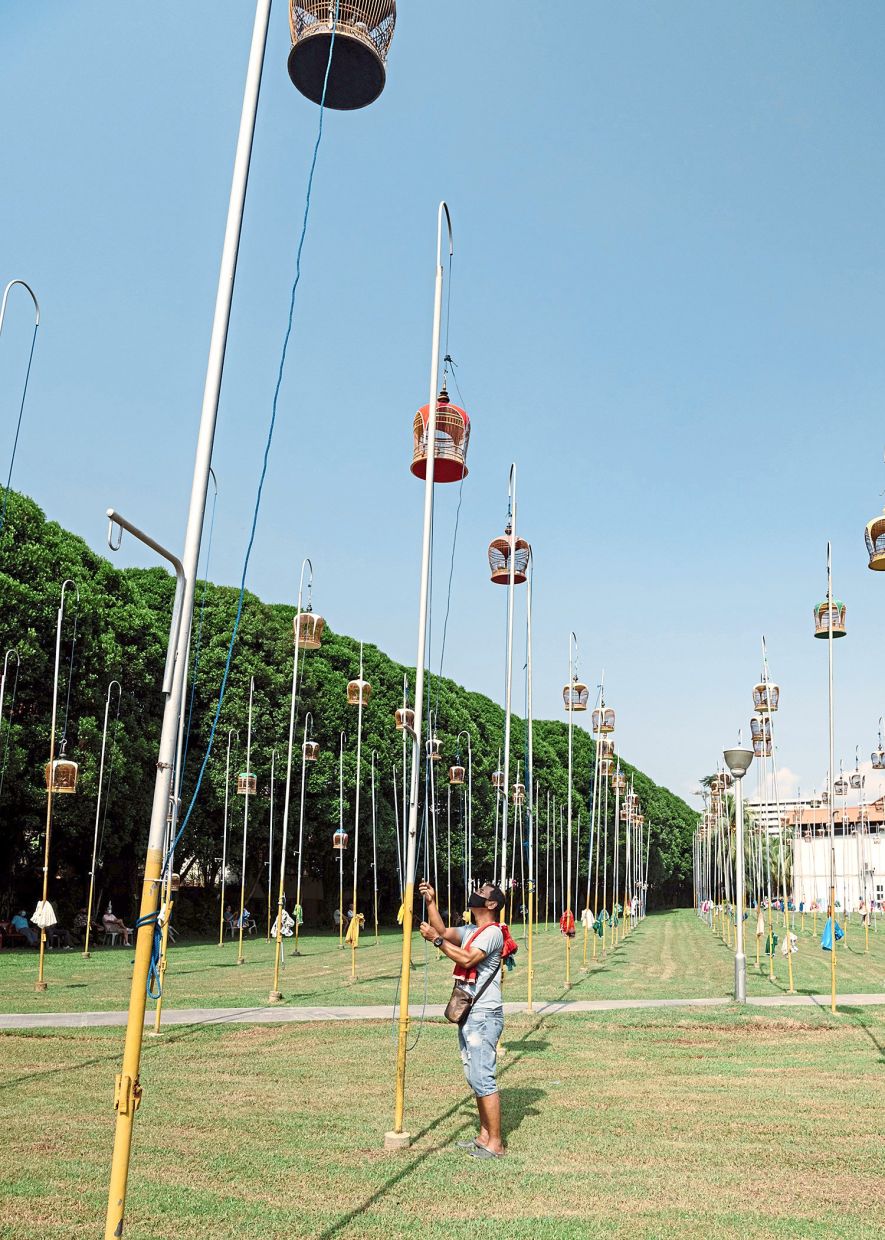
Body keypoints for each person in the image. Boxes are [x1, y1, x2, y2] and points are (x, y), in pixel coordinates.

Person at [419, 878, 507, 1160]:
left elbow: (467, 959)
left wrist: (436, 940)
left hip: (484, 1014)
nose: (475, 893)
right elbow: (444, 930)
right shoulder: (473, 929)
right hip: (471, 1013)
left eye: (481, 892)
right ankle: (483, 1136)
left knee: (484, 1077)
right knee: (474, 1075)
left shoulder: (492, 933)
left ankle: (495, 1144)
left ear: (491, 904)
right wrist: (431, 903)